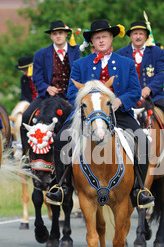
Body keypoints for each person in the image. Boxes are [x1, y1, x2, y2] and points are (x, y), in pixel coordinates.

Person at [45, 19, 154, 208]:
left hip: (118, 113)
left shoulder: (126, 63)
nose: (101, 40)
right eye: (97, 38)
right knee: (62, 138)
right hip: (88, 115)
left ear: (111, 38)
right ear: (92, 42)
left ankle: (139, 189)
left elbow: (135, 90)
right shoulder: (80, 64)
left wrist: (120, 101)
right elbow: (72, 93)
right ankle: (63, 187)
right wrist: (88, 103)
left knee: (142, 140)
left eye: (104, 37)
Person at [117, 21, 164, 163]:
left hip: (154, 95)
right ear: (130, 36)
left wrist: (149, 88)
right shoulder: (121, 53)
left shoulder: (157, 52)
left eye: (141, 33)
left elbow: (161, 74)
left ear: (146, 36)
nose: (138, 36)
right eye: (135, 33)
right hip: (129, 96)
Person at [20, 20, 80, 156]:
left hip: (71, 96)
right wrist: (47, 88)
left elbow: (82, 74)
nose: (58, 36)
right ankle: (26, 154)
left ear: (66, 34)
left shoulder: (77, 51)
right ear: (51, 36)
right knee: (26, 116)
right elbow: (37, 77)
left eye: (60, 33)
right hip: (48, 96)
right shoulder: (41, 54)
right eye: (55, 34)